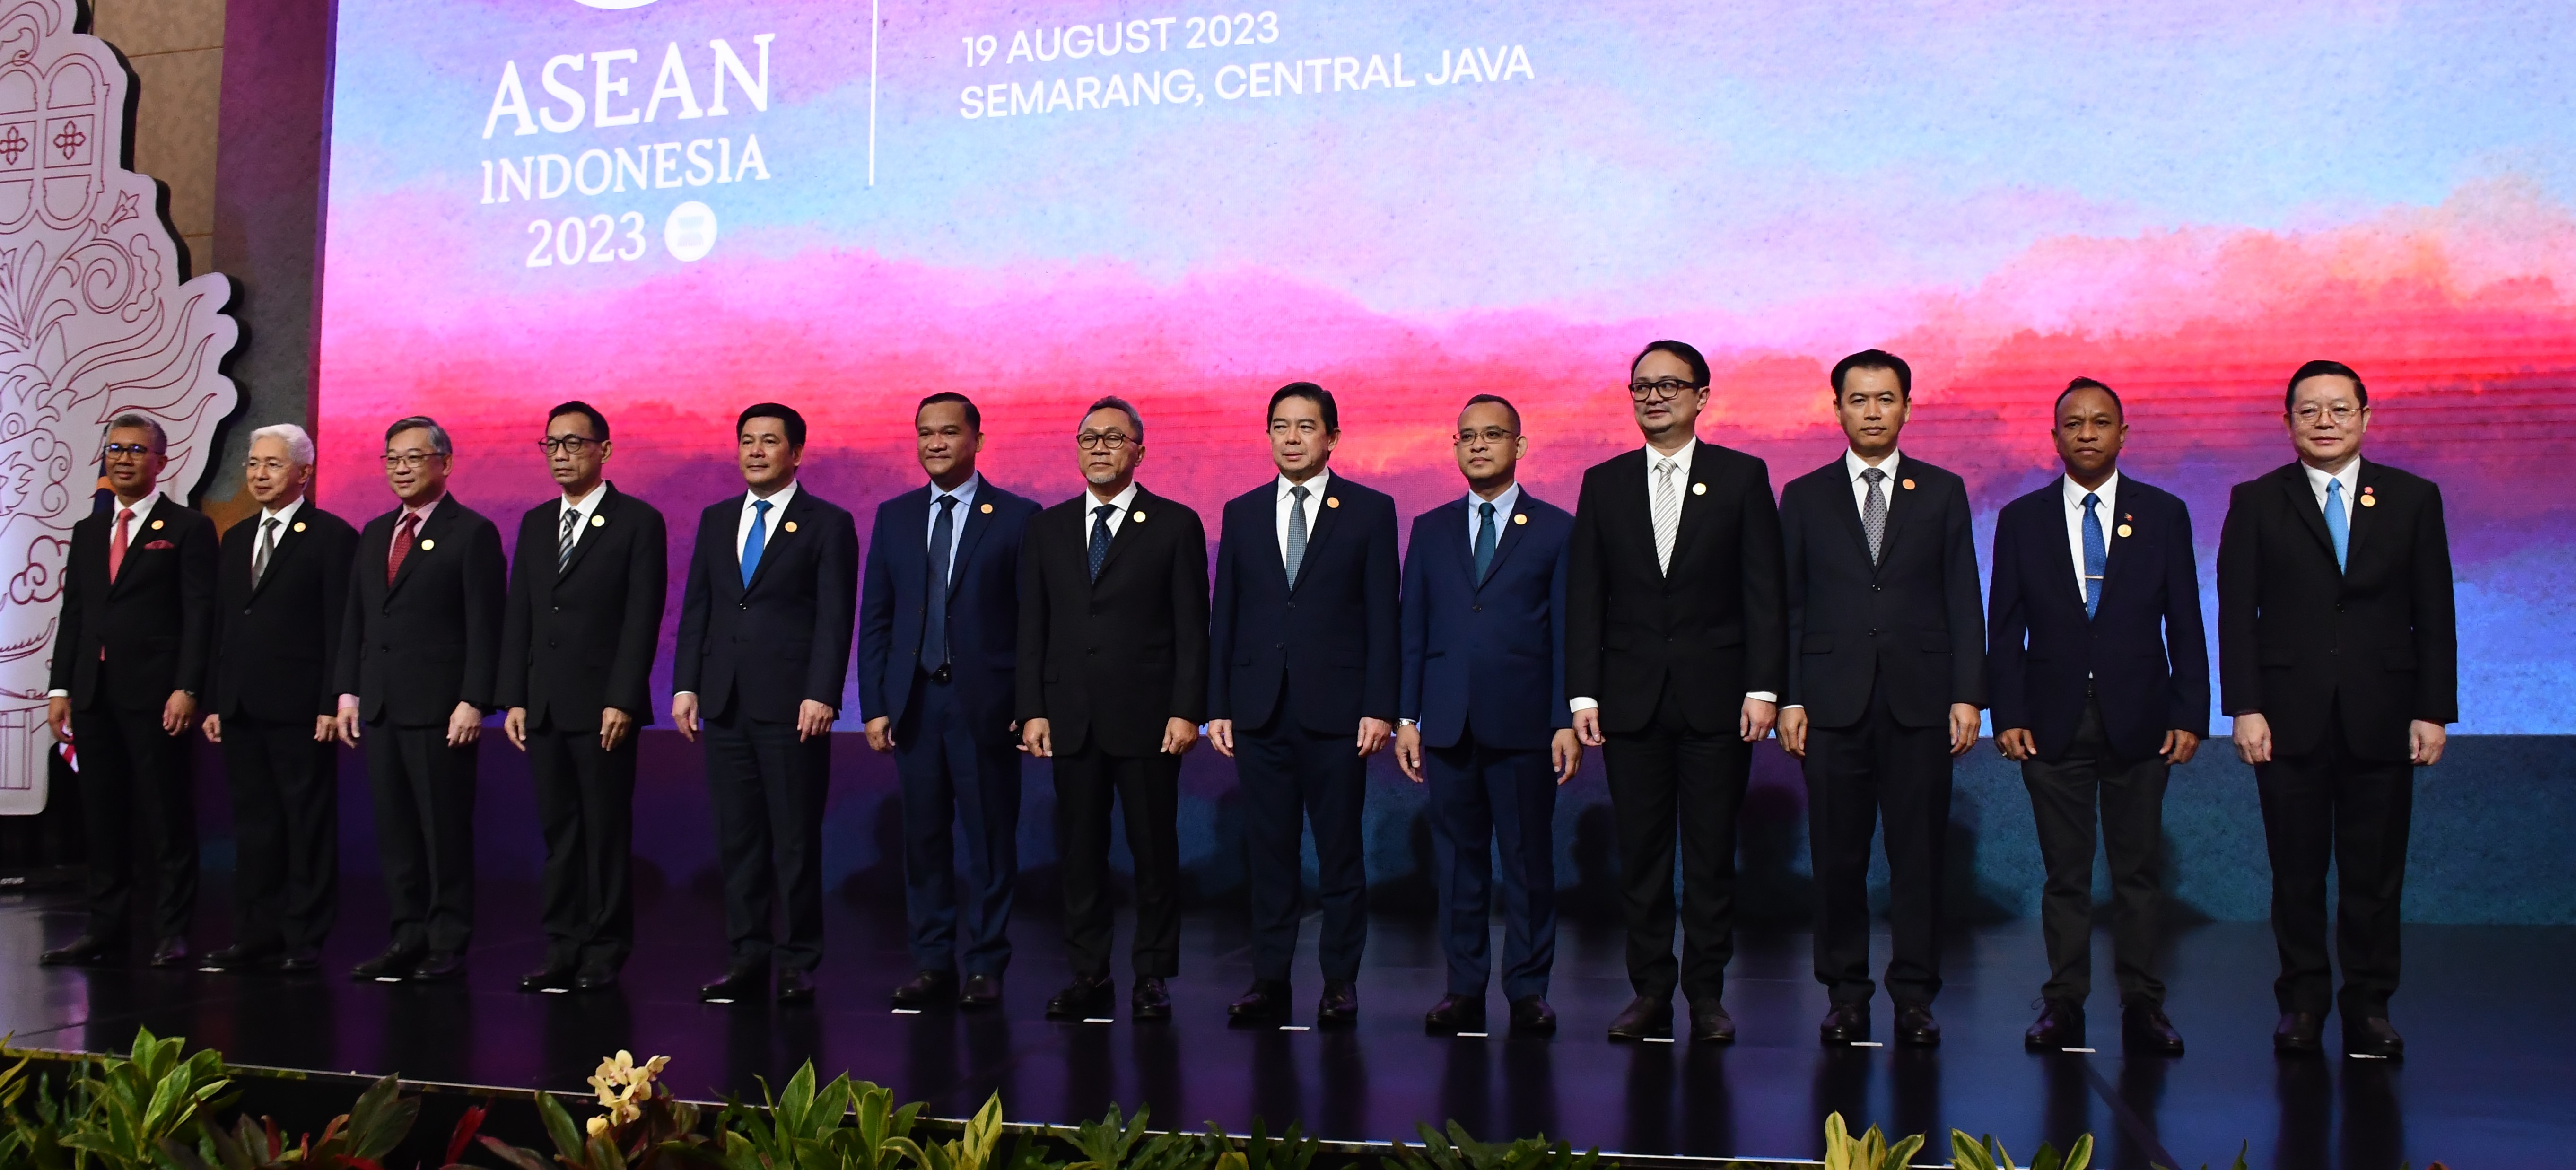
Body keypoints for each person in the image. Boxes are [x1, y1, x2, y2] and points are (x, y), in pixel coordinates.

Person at [2218, 359, 2454, 1060]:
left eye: (2338, 409)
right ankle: (2300, 1004)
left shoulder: (2412, 498)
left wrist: (2432, 708)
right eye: (2308, 410)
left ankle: (2369, 1006)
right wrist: (2244, 706)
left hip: (2384, 713)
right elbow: (2237, 614)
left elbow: (2432, 611)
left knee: (2373, 875)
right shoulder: (2255, 500)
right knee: (2295, 874)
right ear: (2286, 421)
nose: (2324, 422)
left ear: (2365, 417)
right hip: (2285, 717)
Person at [1566, 341, 1786, 1044]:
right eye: (1641, 386)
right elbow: (1585, 597)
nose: (1653, 396)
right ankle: (1650, 989)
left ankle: (1707, 994)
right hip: (1629, 701)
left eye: (1668, 385)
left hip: (1717, 698)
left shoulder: (1740, 476)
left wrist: (1763, 686)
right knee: (1641, 855)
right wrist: (1582, 696)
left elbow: (1763, 590)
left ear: (1701, 396)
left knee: (1712, 853)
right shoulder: (1604, 482)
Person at [1988, 378, 2203, 1055]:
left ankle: (2142, 1003)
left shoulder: (2162, 513)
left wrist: (2189, 711)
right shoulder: (2021, 518)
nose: (2086, 432)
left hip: (2140, 719)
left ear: (2122, 434)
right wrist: (2006, 711)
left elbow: (2185, 620)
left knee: (2136, 873)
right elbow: (2004, 627)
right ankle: (2063, 1002)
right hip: (2049, 721)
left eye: (2100, 421)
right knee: (2065, 874)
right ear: (2054, 435)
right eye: (2073, 423)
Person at [1778, 349, 1985, 1048]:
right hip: (1829, 702)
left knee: (1917, 856)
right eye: (1858, 399)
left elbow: (1962, 597)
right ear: (1836, 408)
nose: (1872, 411)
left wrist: (1967, 694)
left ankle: (1914, 996)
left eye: (1885, 398)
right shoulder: (1803, 495)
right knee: (1836, 856)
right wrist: (1790, 696)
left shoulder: (1941, 490)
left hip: (1919, 701)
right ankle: (1844, 993)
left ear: (1907, 407)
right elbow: (1789, 606)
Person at [1206, 383, 1399, 1027]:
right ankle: (1269, 979)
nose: (1291, 438)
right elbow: (1226, 614)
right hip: (1259, 710)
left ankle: (1339, 982)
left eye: (1305, 426)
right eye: (1280, 426)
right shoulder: (1241, 511)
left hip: (1338, 713)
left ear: (1332, 437)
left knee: (1339, 853)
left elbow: (1383, 615)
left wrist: (1380, 705)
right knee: (1269, 853)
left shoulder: (1369, 510)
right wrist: (1218, 704)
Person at [1395, 393, 1581, 1037]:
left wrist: (1563, 718)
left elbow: (1566, 633)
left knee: (1527, 861)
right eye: (1466, 435)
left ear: (1518, 445)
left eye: (1492, 434)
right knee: (1456, 863)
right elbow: (1412, 629)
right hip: (1447, 721)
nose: (1477, 445)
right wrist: (1407, 716)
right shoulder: (1430, 528)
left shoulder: (1555, 528)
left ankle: (1527, 989)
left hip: (1525, 723)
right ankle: (1463, 987)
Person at [1018, 396, 1208, 1023]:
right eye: (1088, 437)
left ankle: (1151, 973)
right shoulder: (1046, 528)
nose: (1098, 447)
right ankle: (1088, 971)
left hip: (1149, 717)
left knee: (1153, 852)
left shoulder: (1174, 524)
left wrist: (1187, 709)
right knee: (1079, 852)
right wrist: (1032, 707)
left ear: (1138, 451)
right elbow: (1032, 625)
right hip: (1070, 716)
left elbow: (1192, 627)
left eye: (1112, 437)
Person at [674, 402, 860, 1005]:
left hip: (791, 705)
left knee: (794, 838)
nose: (755, 451)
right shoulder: (716, 518)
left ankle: (798, 959)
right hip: (725, 701)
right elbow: (698, 607)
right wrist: (685, 684)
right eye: (747, 441)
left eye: (769, 441)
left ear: (796, 452)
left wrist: (823, 691)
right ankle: (746, 956)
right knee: (739, 838)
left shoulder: (827, 523)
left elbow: (835, 617)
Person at [860, 393, 1039, 1011]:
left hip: (984, 705)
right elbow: (876, 617)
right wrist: (875, 703)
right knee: (923, 840)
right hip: (914, 704)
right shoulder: (894, 516)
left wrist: (1028, 702)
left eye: (948, 432)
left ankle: (985, 963)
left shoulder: (1017, 517)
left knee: (990, 840)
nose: (934, 443)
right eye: (924, 433)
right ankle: (932, 961)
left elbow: (1032, 621)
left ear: (977, 440)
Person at [497, 402, 668, 993]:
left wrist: (623, 698)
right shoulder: (536, 522)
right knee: (559, 832)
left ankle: (605, 946)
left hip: (602, 708)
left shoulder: (637, 521)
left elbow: (641, 618)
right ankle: (563, 942)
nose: (561, 455)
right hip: (544, 703)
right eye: (552, 444)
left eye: (573, 443)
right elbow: (520, 612)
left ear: (604, 450)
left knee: (603, 830)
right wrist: (514, 695)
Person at [332, 416, 508, 983]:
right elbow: (357, 619)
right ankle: (406, 934)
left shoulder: (471, 532)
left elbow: (486, 626)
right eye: (392, 458)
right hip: (382, 705)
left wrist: (474, 699)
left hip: (440, 710)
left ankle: (446, 939)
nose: (401, 468)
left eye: (413, 457)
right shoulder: (374, 532)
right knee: (396, 830)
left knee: (442, 830)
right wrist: (348, 692)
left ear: (445, 463)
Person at [38, 415, 218, 968]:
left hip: (157, 694)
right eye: (115, 448)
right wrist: (61, 686)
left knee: (165, 814)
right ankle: (105, 928)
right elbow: (75, 613)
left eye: (136, 450)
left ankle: (172, 930)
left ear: (160, 461)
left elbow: (200, 614)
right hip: (93, 694)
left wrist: (188, 686)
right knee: (102, 814)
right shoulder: (89, 529)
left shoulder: (187, 527)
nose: (122, 458)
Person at [199, 423, 360, 973]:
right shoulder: (237, 537)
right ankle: (255, 931)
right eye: (253, 463)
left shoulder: (331, 536)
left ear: (303, 473)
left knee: (305, 821)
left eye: (272, 463)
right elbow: (224, 624)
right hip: (241, 704)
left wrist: (330, 701)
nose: (259, 473)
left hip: (302, 707)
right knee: (254, 824)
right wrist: (216, 698)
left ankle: (304, 934)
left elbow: (339, 625)